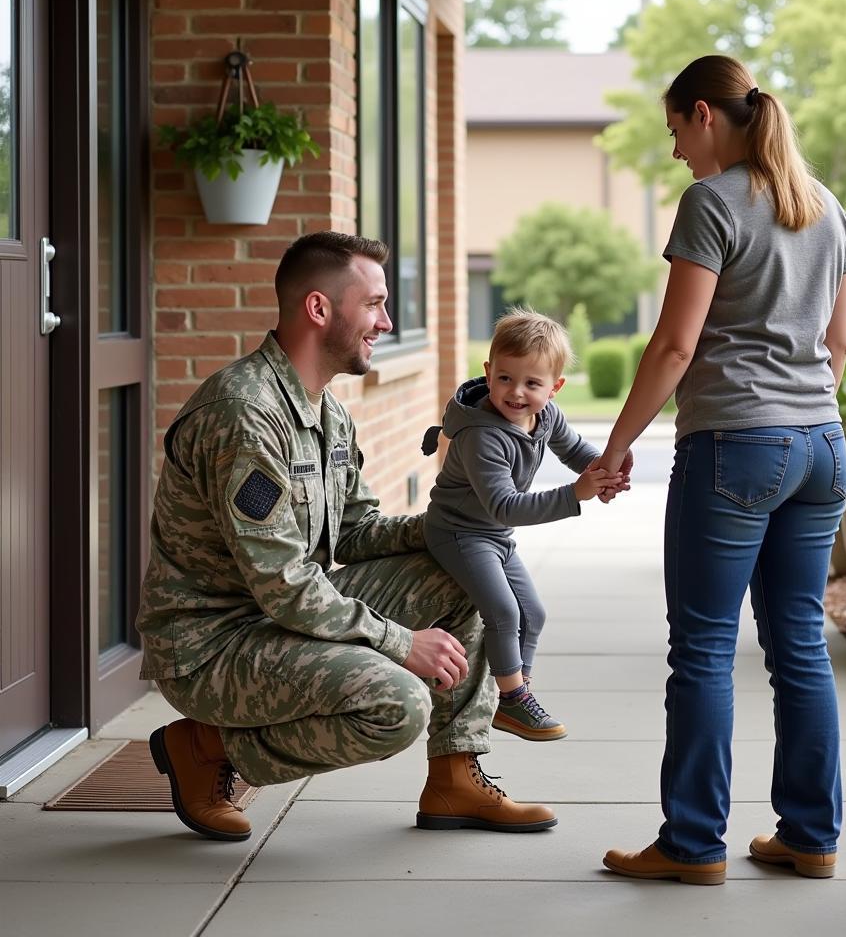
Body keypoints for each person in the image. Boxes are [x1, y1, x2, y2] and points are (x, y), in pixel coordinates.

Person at [137, 231, 558, 841]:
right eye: (374, 305)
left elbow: (356, 532)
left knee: (463, 567)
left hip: (277, 618)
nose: (386, 322)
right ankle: (204, 748)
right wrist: (399, 641)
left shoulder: (327, 411)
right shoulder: (244, 415)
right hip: (212, 643)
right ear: (319, 309)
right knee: (396, 705)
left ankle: (454, 778)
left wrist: (454, 529)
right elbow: (285, 584)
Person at [597, 55, 846, 885]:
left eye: (676, 129)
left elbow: (676, 344)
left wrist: (614, 447)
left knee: (704, 651)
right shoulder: (827, 207)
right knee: (800, 648)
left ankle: (692, 845)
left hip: (735, 448)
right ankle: (810, 836)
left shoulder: (712, 203)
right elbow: (838, 344)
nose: (676, 151)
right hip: (822, 445)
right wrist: (804, 412)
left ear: (705, 114)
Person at [421, 309, 621, 741]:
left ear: (555, 388)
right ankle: (512, 699)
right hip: (459, 531)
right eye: (506, 378)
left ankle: (517, 693)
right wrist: (576, 494)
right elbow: (505, 507)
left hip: (494, 535)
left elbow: (575, 450)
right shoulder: (482, 436)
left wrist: (606, 468)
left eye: (532, 384)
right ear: (489, 372)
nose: (516, 393)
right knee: (504, 611)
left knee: (534, 612)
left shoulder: (546, 416)